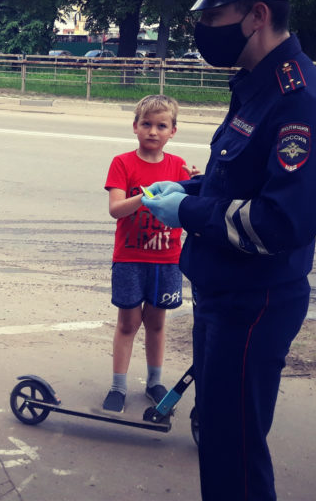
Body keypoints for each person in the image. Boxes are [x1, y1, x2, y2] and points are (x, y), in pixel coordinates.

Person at [141, 0, 316, 501]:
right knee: (218, 439)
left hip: (254, 302)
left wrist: (187, 210)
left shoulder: (299, 99)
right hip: (224, 293)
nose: (204, 27)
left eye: (214, 14)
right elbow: (238, 177)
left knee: (234, 452)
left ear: (256, 15)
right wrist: (187, 187)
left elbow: (281, 221)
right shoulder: (258, 84)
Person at [101, 94, 199, 413]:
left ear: (173, 131)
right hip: (129, 259)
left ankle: (155, 383)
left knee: (156, 323)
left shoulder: (178, 167)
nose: (153, 131)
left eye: (161, 126)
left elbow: (190, 211)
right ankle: (118, 386)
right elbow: (116, 209)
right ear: (135, 127)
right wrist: (146, 197)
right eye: (146, 124)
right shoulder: (122, 163)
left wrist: (197, 185)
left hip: (167, 260)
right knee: (128, 323)